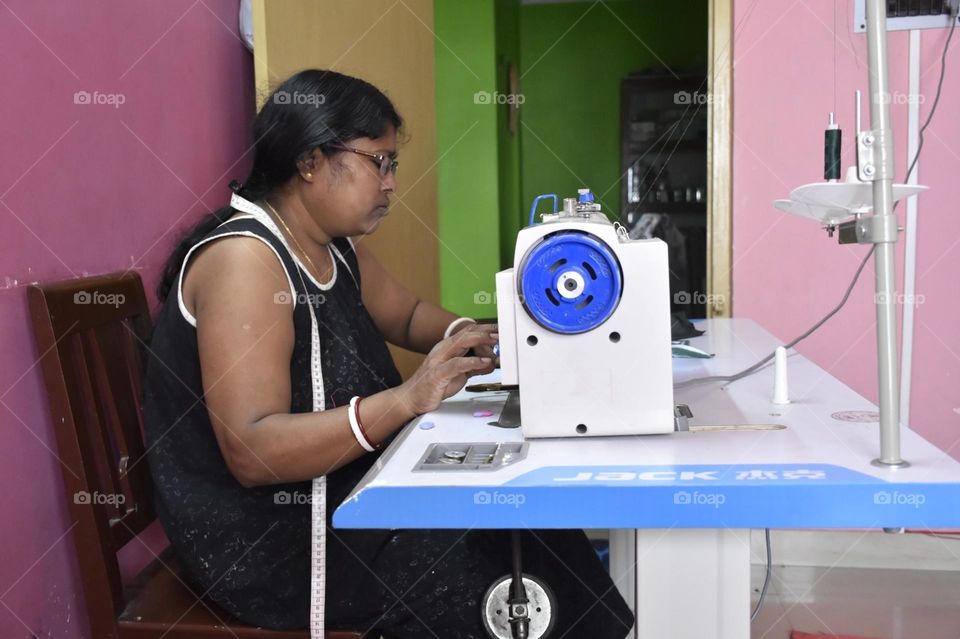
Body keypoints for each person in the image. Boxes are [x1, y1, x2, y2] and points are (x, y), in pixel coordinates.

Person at [144, 69, 633, 638]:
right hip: (272, 540)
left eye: (392, 164)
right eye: (379, 161)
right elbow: (255, 453)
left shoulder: (330, 246)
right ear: (310, 161)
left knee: (524, 523)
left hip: (337, 499)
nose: (392, 183)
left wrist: (507, 338)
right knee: (487, 554)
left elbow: (406, 315)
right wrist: (406, 399)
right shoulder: (246, 260)